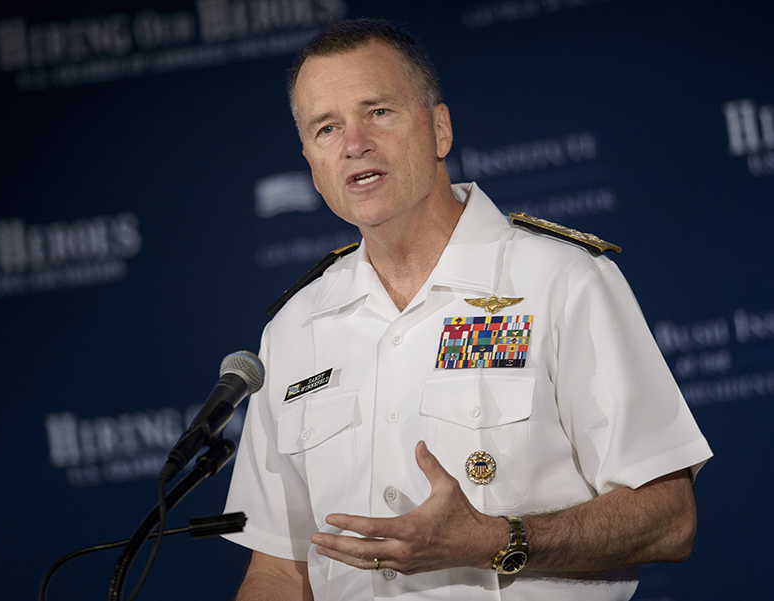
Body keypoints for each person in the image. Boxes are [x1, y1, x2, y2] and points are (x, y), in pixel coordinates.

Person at [222, 18, 712, 601]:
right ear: (311, 160)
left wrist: (492, 539)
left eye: (377, 112)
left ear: (439, 129)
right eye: (326, 128)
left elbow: (668, 516)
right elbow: (280, 570)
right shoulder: (293, 331)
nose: (354, 143)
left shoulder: (562, 281)